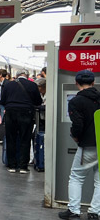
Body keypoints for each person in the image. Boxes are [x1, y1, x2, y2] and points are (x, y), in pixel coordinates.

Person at [59, 70, 100, 220]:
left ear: (77, 83)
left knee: (76, 177)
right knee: (99, 180)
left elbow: (78, 124)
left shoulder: (76, 101)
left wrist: (75, 136)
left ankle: (74, 211)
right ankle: (95, 212)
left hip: (88, 145)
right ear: (93, 83)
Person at [0, 69, 42, 173]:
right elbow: (38, 101)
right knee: (25, 139)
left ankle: (12, 166)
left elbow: (2, 101)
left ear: (17, 76)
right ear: (27, 76)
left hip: (10, 113)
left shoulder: (8, 85)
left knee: (11, 139)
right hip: (26, 113)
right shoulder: (32, 85)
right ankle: (23, 166)